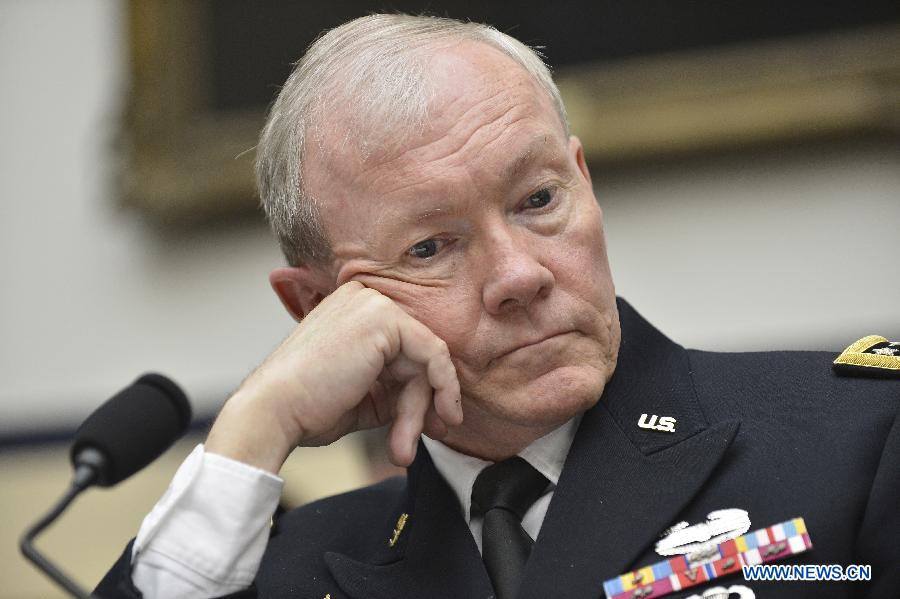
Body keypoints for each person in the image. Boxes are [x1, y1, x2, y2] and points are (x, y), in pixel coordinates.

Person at [97, 13, 899, 599]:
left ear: (583, 180)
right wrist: (254, 425)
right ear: (318, 308)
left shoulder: (855, 439)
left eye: (538, 198)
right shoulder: (284, 571)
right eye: (430, 247)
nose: (520, 273)